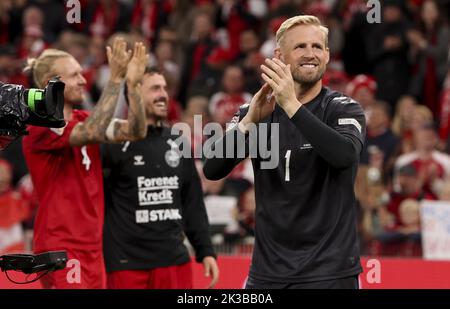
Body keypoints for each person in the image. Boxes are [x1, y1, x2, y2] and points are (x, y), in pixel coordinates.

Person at [203, 15, 366, 289]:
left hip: (330, 273)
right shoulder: (257, 110)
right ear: (280, 55)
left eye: (317, 46)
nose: (310, 54)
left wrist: (292, 106)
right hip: (267, 274)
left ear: (327, 55)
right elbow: (213, 169)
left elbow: (345, 156)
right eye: (300, 46)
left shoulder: (343, 109)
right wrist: (248, 123)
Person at [22, 38, 149, 288]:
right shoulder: (40, 124)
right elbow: (91, 131)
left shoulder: (84, 117)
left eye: (82, 73)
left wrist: (132, 86)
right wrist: (114, 80)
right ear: (52, 84)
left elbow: (136, 131)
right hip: (61, 245)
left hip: (92, 246)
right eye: (74, 75)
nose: (83, 80)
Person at [102, 67, 219, 289]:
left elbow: (192, 202)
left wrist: (205, 250)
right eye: (155, 88)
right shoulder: (113, 143)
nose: (163, 94)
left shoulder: (178, 140)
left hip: (174, 262)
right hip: (126, 264)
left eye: (164, 88)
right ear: (134, 94)